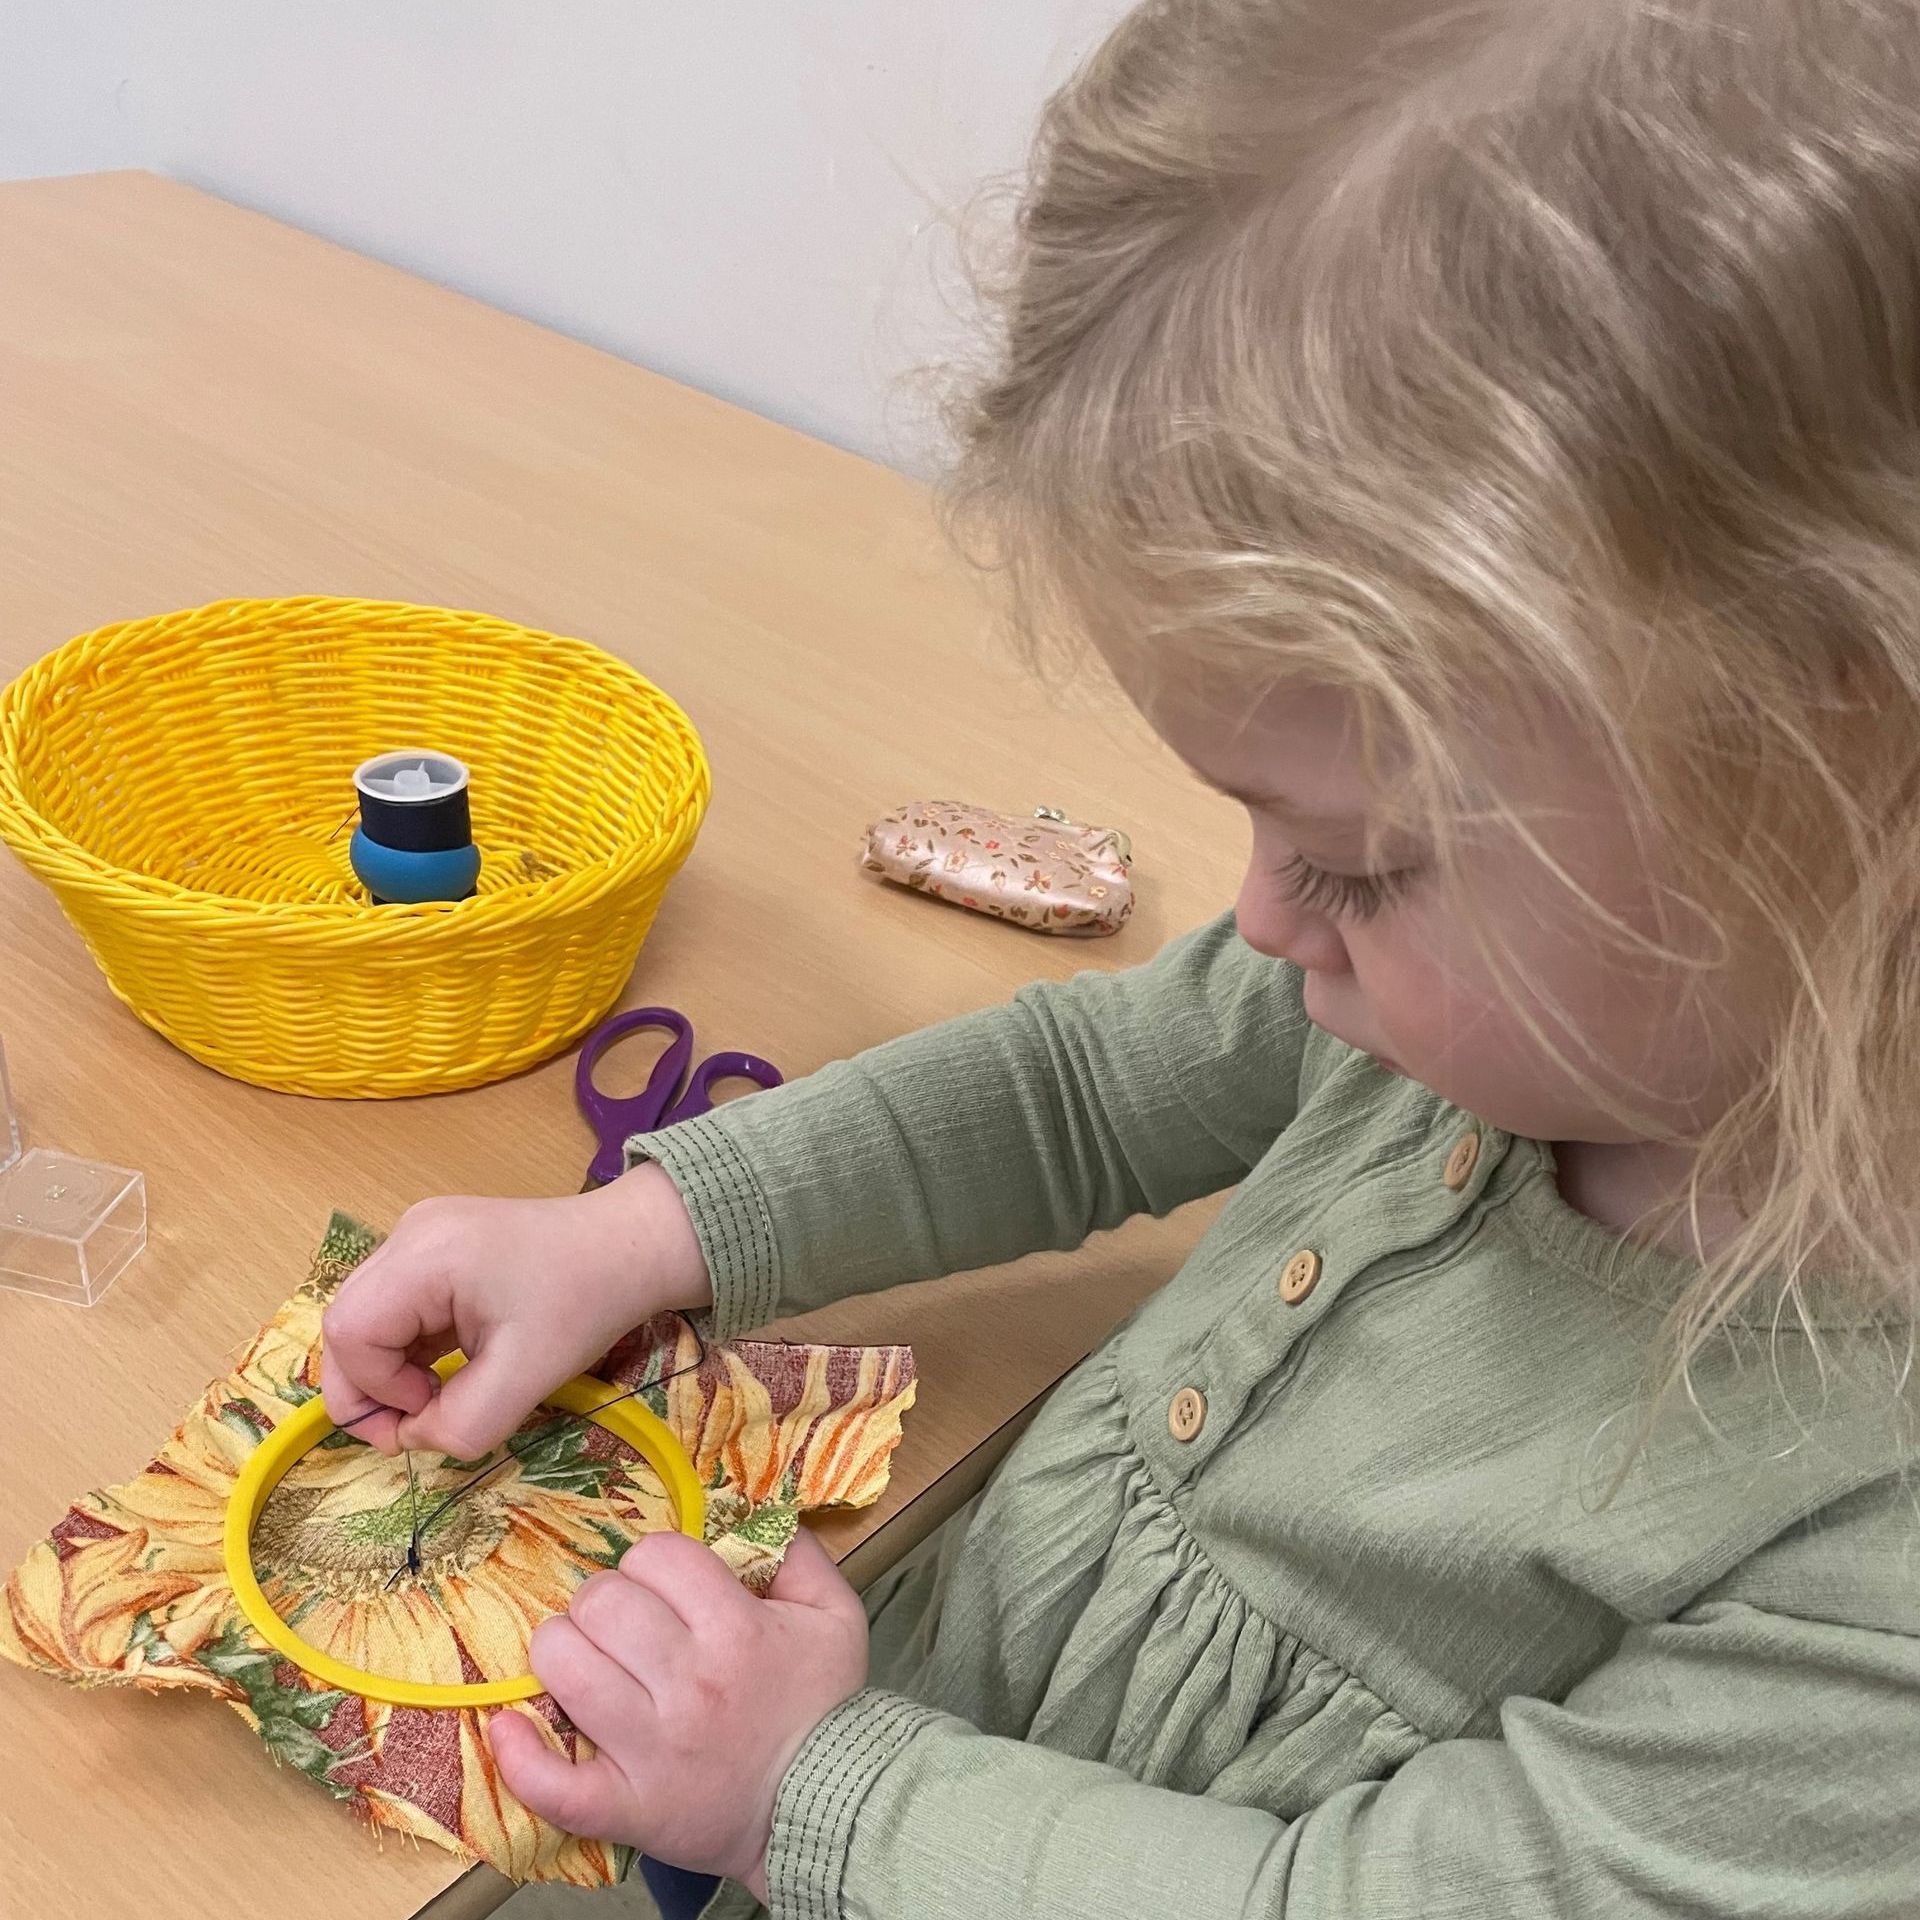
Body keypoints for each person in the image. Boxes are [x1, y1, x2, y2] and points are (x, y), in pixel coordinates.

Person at [322, 2, 1920, 1913]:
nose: (1257, 918)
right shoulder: (1502, 1019)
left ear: (1838, 779)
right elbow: (1078, 1091)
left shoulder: (1868, 1546)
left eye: (1360, 863)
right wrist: (643, 1240)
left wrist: (803, 1800)